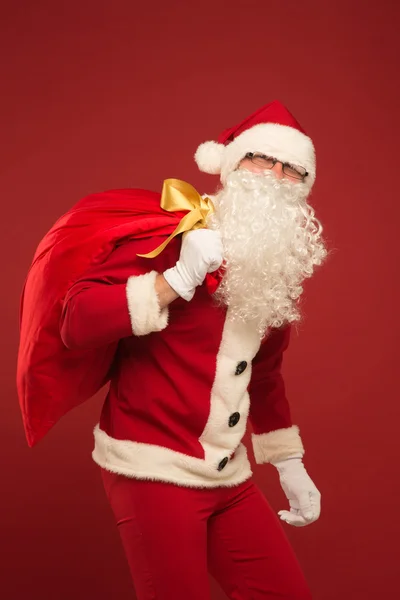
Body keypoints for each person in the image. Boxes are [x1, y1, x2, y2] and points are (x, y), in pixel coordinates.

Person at [59, 101, 327, 599]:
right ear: (230, 164)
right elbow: (75, 322)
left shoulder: (272, 264)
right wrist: (176, 279)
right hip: (152, 469)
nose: (275, 175)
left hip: (229, 473)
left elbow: (264, 374)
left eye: (292, 168)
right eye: (261, 159)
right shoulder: (173, 233)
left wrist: (289, 463)